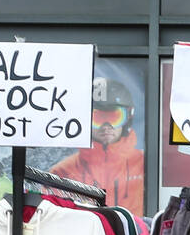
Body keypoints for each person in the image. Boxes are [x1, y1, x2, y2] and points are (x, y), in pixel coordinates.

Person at [50, 78, 146, 215]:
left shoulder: (145, 165)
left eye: (114, 117)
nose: (106, 126)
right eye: (98, 118)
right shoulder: (62, 172)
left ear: (128, 118)